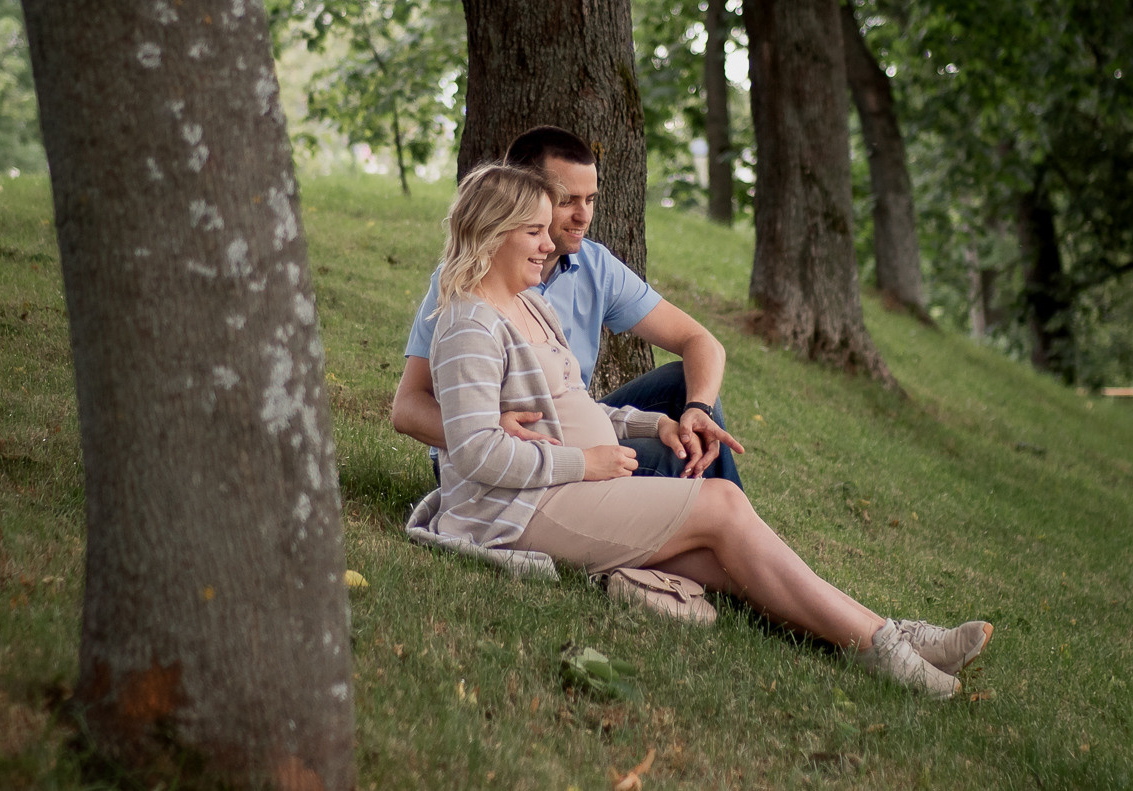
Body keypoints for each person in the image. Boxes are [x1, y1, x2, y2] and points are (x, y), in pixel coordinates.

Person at [424, 164, 991, 697]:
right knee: (722, 507)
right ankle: (887, 651)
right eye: (534, 232)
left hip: (566, 490)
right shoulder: (470, 323)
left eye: (548, 231)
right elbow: (475, 452)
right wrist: (587, 463)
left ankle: (887, 636)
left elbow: (574, 405)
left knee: (730, 558)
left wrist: (653, 423)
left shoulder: (529, 306)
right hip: (518, 509)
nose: (550, 245)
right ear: (495, 233)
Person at [391, 126, 743, 486]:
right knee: (676, 457)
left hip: (571, 427)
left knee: (682, 391)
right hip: (502, 458)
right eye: (567, 200)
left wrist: (697, 408)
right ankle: (725, 526)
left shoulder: (595, 266)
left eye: (590, 200)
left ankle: (729, 524)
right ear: (526, 197)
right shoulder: (466, 281)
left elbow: (701, 342)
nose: (583, 216)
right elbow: (407, 408)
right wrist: (494, 430)